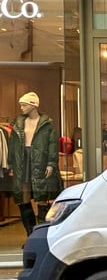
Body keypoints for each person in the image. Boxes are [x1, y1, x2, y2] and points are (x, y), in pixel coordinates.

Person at [8, 92, 63, 236]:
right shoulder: (18, 124)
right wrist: (11, 164)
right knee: (23, 199)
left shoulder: (47, 125)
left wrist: (51, 163)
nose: (21, 108)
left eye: (24, 105)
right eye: (21, 105)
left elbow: (53, 146)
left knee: (42, 198)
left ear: (33, 105)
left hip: (40, 162)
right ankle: (31, 235)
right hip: (22, 162)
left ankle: (43, 235)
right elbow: (12, 145)